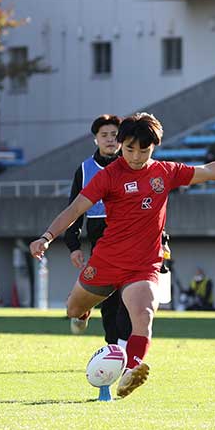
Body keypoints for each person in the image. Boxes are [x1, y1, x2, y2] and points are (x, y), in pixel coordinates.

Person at [30, 113, 215, 398]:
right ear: (121, 144)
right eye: (129, 149)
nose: (136, 156)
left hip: (144, 264)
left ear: (154, 147)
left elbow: (210, 170)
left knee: (144, 314)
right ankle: (83, 313)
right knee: (73, 310)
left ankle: (132, 370)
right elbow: (75, 209)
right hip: (107, 261)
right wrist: (47, 237)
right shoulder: (108, 177)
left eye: (144, 149)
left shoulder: (165, 172)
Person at [63, 114, 132, 345]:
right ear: (95, 139)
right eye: (104, 135)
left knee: (130, 299)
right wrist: (73, 246)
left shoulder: (134, 164)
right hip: (101, 245)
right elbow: (74, 209)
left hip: (132, 243)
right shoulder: (84, 170)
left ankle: (121, 351)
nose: (110, 140)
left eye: (115, 135)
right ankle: (108, 343)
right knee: (109, 301)